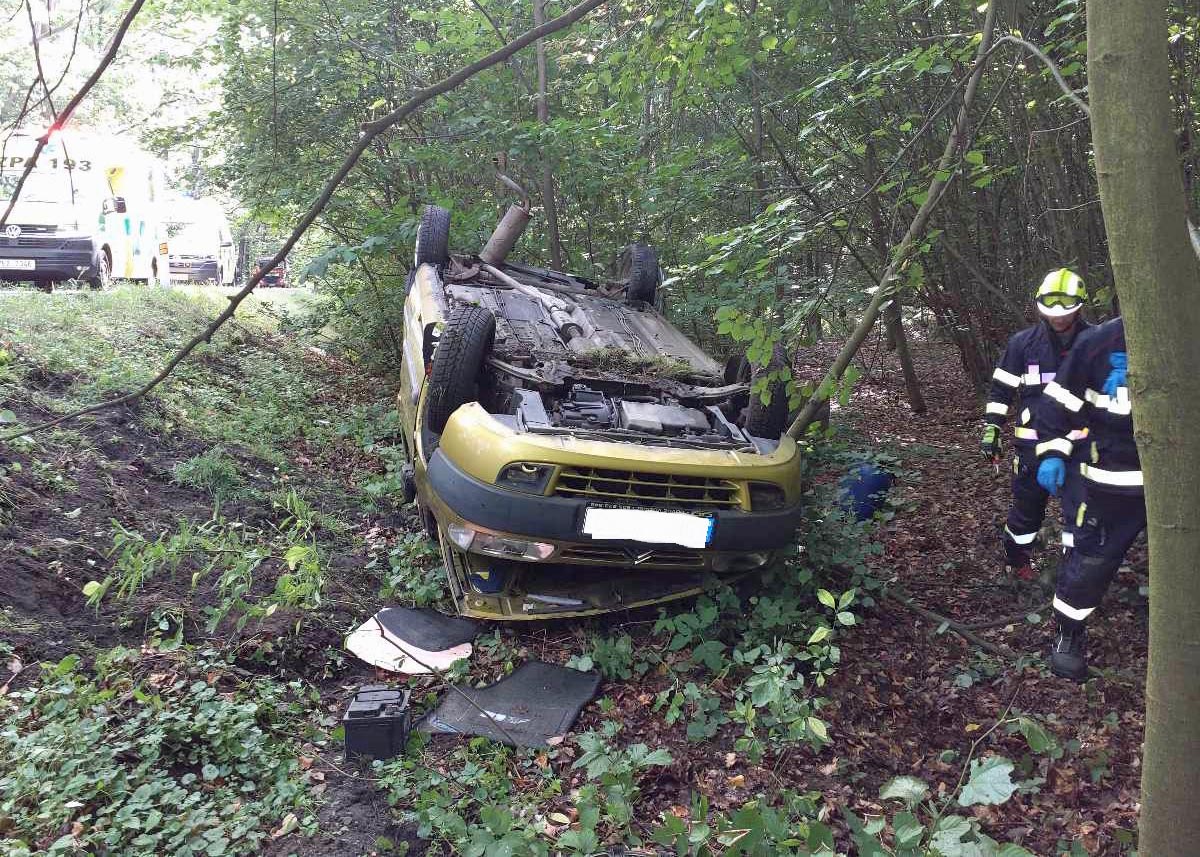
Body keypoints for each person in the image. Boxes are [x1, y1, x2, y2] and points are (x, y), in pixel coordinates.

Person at [1035, 317, 1140, 681]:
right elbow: (1057, 405)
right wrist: (1052, 453)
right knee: (1092, 560)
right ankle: (1069, 633)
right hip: (1113, 482)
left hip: (1183, 483)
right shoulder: (1100, 343)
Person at [982, 269, 1090, 579]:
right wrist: (992, 428)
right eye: (1051, 311)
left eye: (1065, 311)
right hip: (1032, 446)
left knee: (1081, 514)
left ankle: (1074, 574)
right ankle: (1017, 563)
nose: (1058, 317)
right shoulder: (1023, 344)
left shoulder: (1095, 341)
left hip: (1082, 445)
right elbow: (1001, 389)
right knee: (1026, 511)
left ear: (1079, 306)